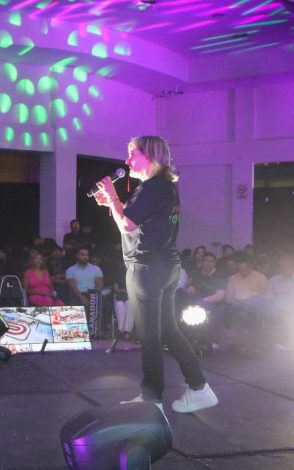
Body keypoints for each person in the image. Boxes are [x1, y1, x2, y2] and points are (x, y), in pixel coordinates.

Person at [94, 135, 217, 414]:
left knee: (150, 336)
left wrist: (112, 197)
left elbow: (127, 226)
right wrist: (112, 204)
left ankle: (152, 399)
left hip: (147, 267)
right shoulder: (165, 186)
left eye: (132, 154)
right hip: (165, 265)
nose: (127, 161)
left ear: (149, 156)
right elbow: (133, 223)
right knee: (168, 330)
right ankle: (199, 389)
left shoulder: (152, 187)